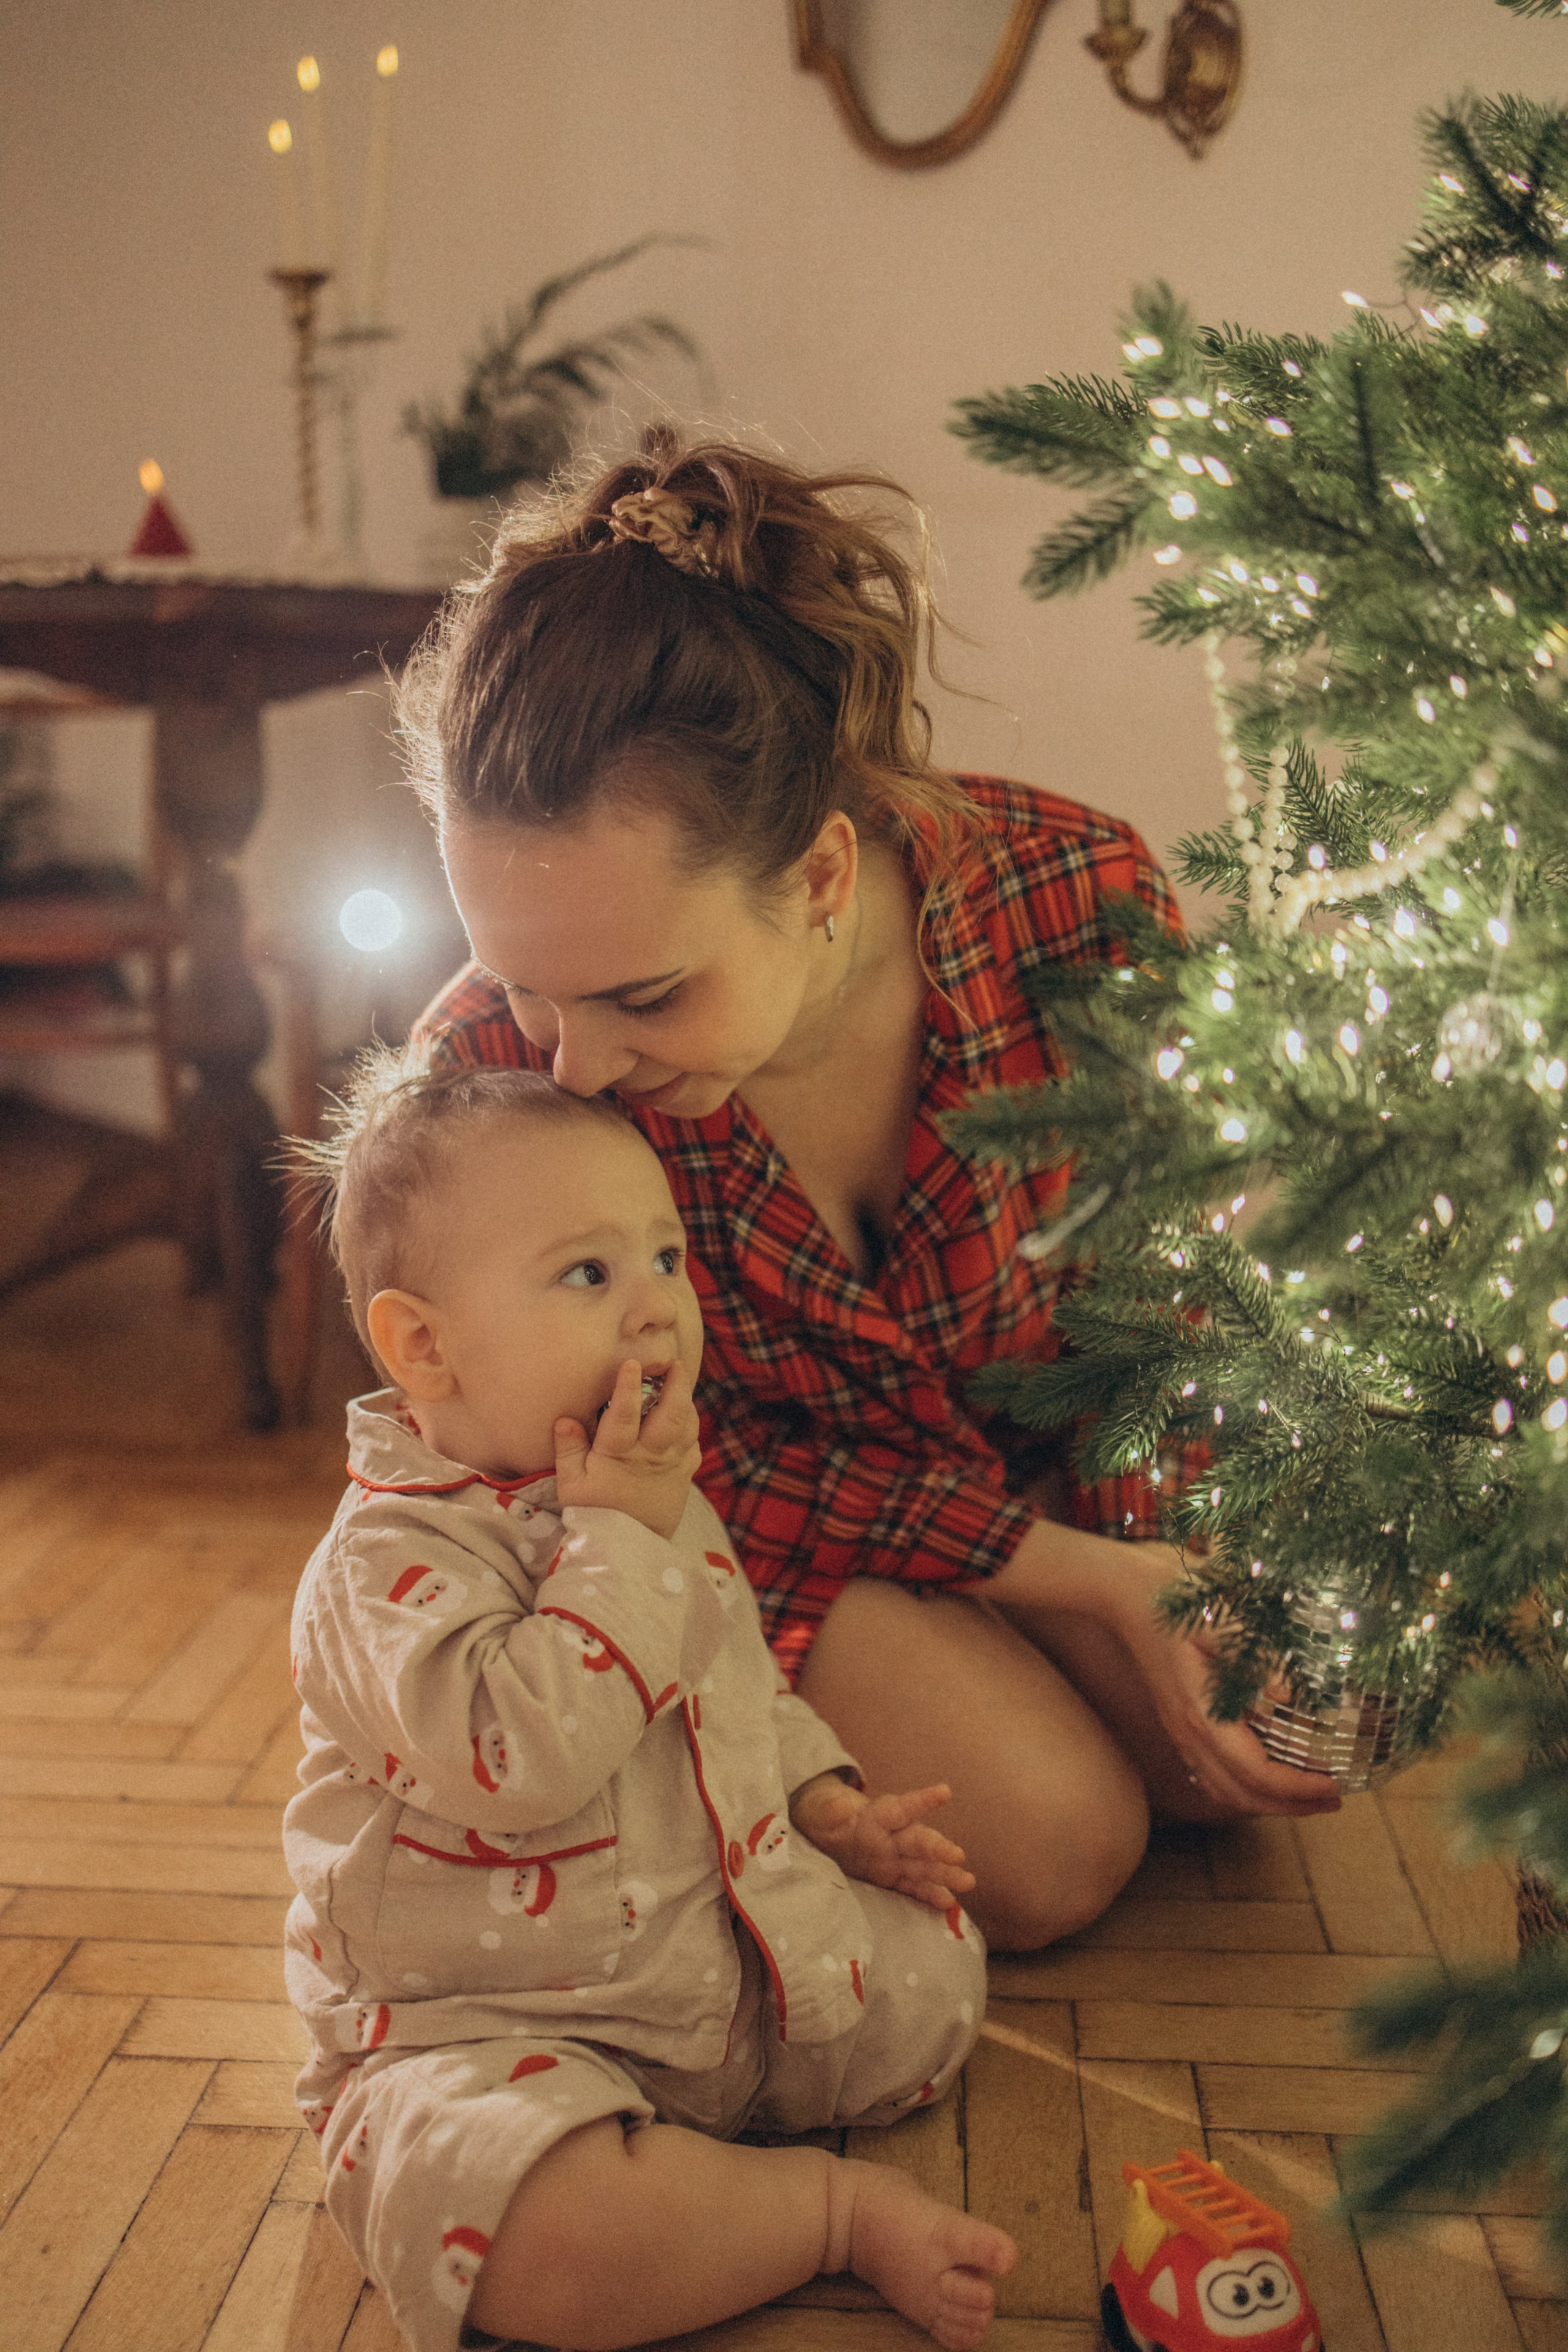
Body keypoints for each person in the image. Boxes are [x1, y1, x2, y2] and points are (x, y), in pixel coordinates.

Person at [402, 438, 1340, 1957]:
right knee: (1055, 1848)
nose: (572, 1062)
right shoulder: (492, 1081)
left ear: (825, 877)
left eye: (643, 989)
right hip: (726, 1526)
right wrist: (1087, 1584)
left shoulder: (1074, 902)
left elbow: (1155, 1307)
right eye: (524, 979)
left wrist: (1163, 1572)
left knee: (1238, 1756)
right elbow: (607, 1474)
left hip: (1007, 1480)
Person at [284, 1050, 1017, 2352]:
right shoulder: (383, 1567)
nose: (657, 1311)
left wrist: (828, 1808)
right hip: (481, 2035)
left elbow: (730, 1676)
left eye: (666, 1259)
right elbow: (518, 1755)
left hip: (700, 1972)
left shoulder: (639, 1491)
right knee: (541, 2250)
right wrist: (619, 1540)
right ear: (424, 1346)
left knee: (939, 1963)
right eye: (589, 1273)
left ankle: (697, 2152)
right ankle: (823, 2213)